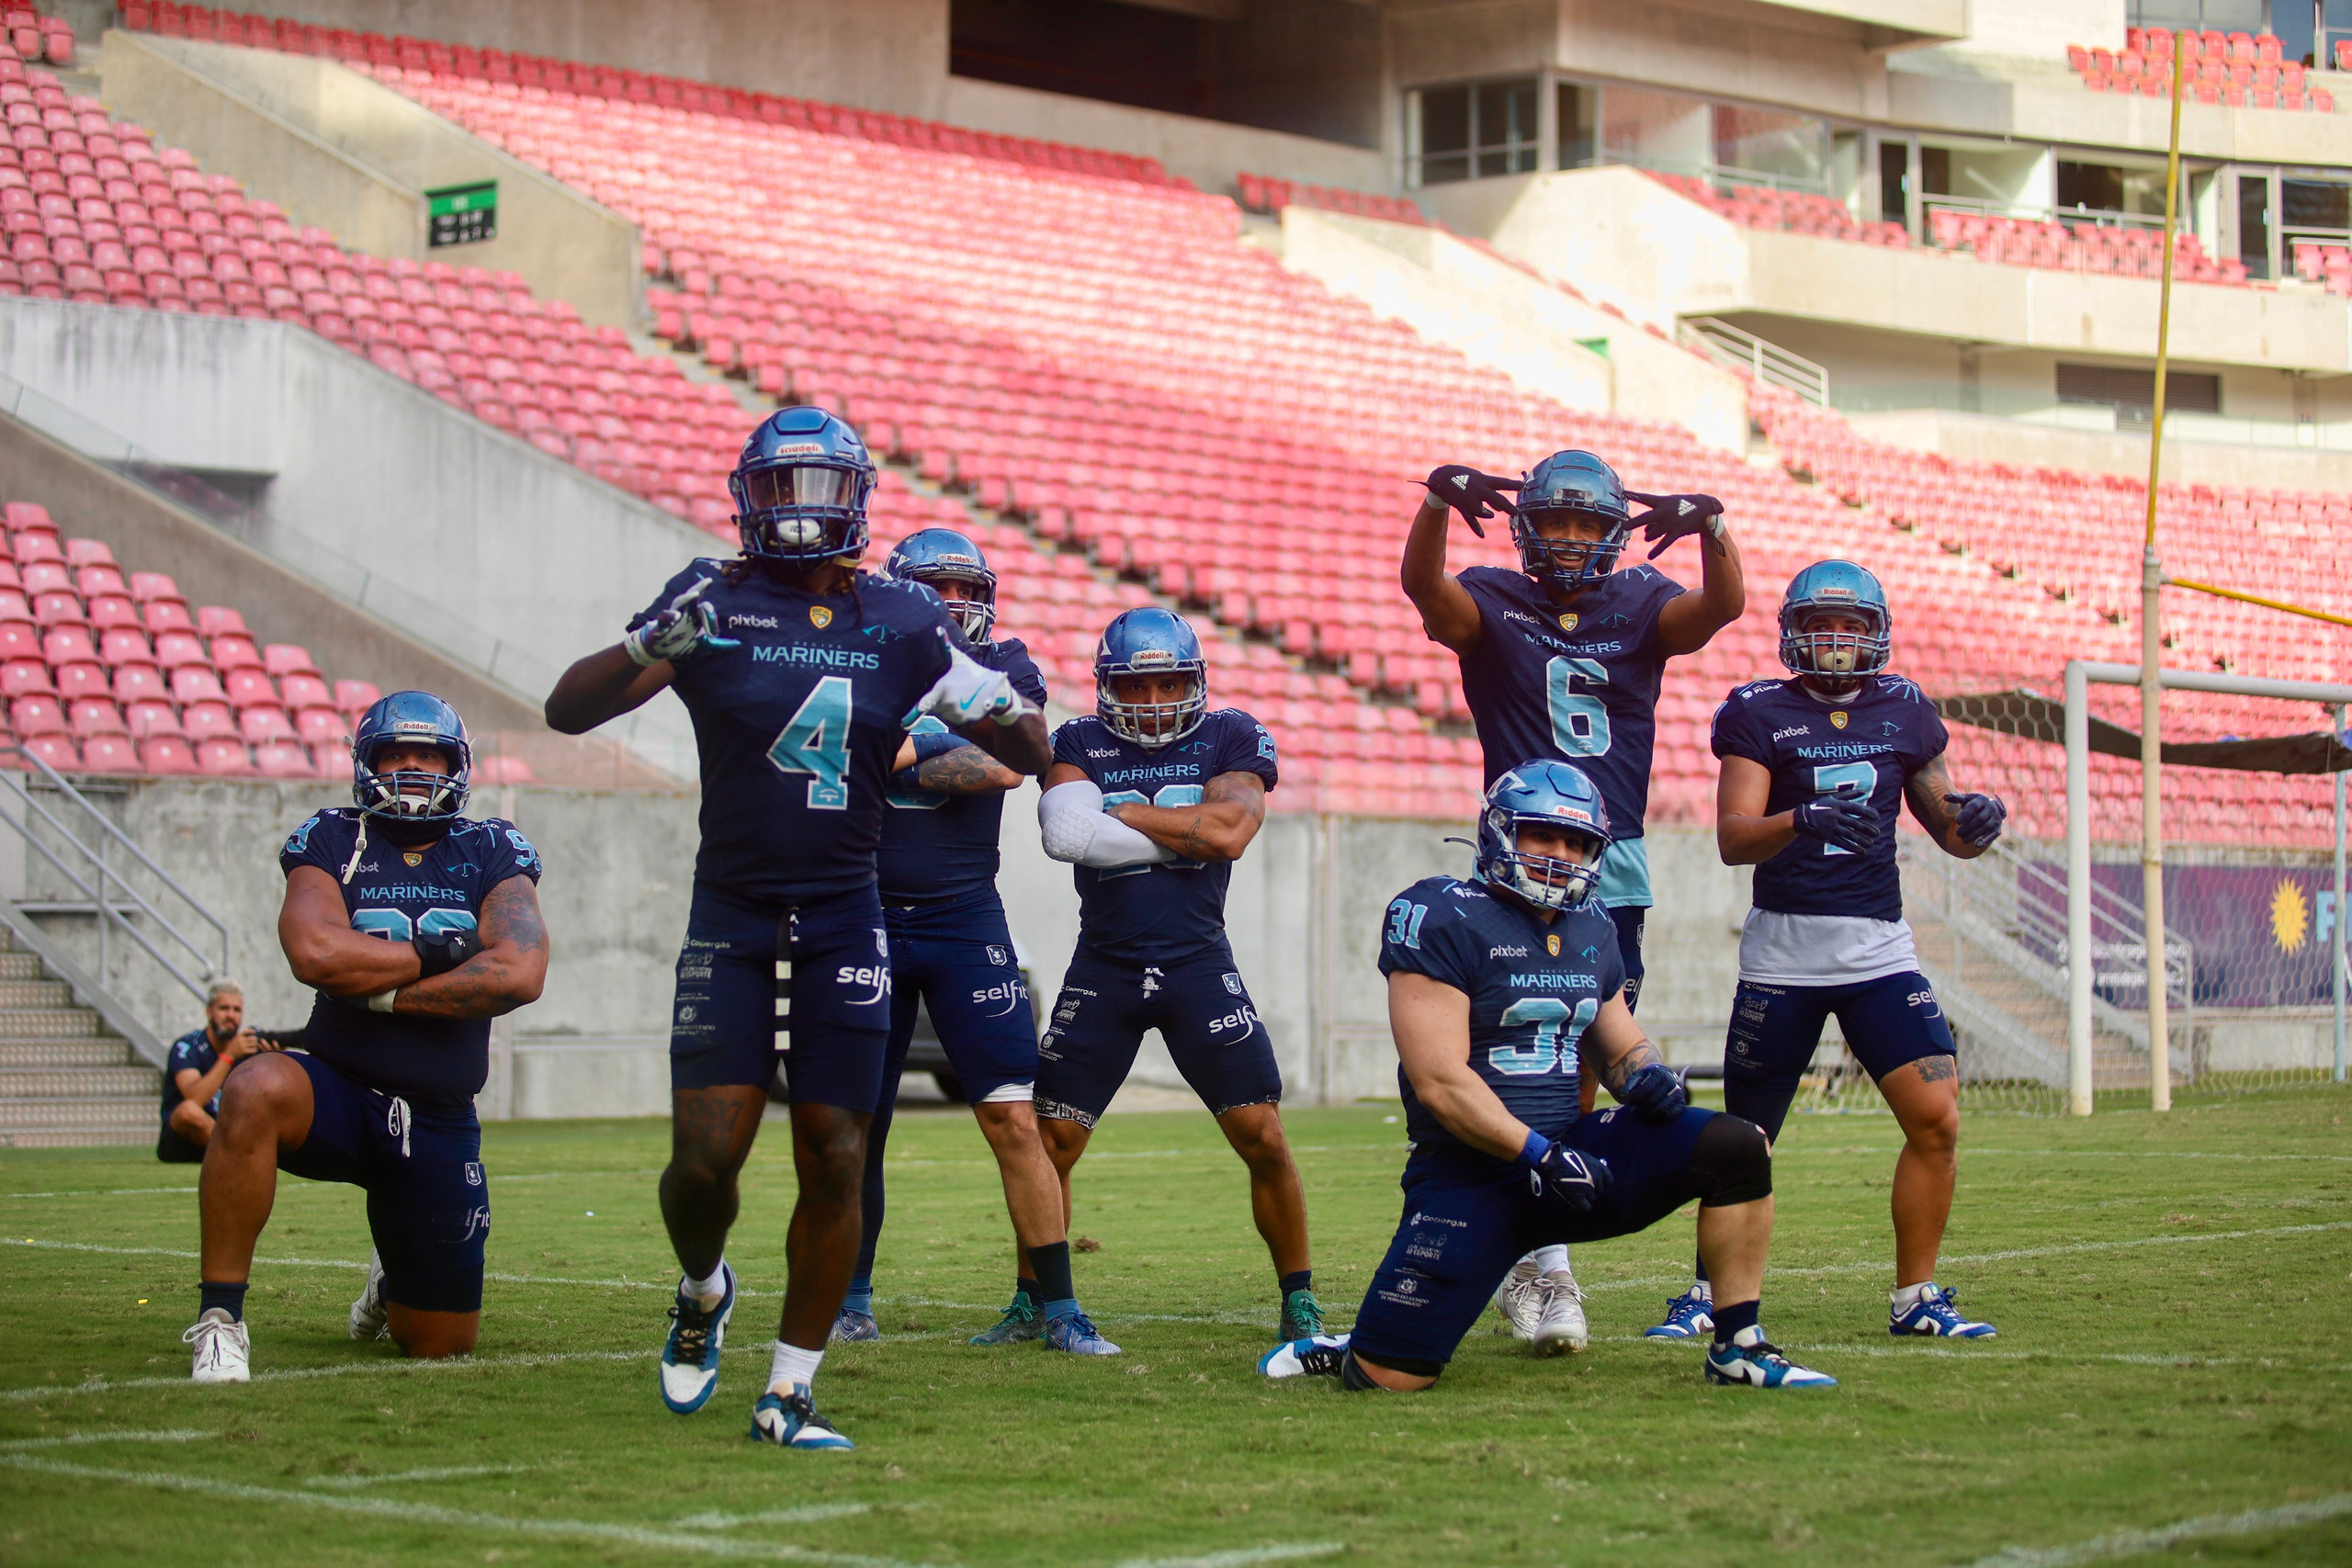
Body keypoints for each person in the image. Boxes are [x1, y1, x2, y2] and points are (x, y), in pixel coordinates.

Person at [544, 408, 1053, 1450]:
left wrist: (987, 698)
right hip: (731, 914)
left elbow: (1033, 747)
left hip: (842, 917)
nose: (798, 510)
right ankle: (701, 1288)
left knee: (833, 1152)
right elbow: (568, 710)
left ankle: (790, 1389)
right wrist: (646, 644)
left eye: (819, 487)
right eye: (780, 489)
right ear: (747, 498)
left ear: (856, 500)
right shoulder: (711, 597)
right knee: (703, 1163)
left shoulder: (906, 619)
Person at [1258, 761, 1834, 1393]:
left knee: (1738, 1146)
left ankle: (1738, 1346)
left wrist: (1647, 1074)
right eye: (1542, 836)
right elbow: (1441, 1082)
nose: (1561, 856)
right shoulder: (1439, 912)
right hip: (1472, 1171)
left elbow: (1620, 1046)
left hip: (1568, 1155)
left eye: (1577, 843)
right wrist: (1538, 1152)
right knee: (1390, 1376)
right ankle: (1351, 1346)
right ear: (1499, 832)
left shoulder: (1592, 926)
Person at [1406, 449, 1745, 1348]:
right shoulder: (1493, 596)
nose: (1566, 539)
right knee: (1508, 1045)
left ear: (1613, 531)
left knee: (1585, 1051)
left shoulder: (1637, 601)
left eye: (1586, 523)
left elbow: (1720, 610)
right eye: (1551, 520)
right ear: (1523, 528)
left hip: (1612, 853)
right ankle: (1521, 1247)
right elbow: (1426, 592)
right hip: (1515, 847)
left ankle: (1543, 1252)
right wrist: (1436, 505)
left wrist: (1713, 528)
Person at [181, 692, 548, 1383]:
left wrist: (376, 987)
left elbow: (520, 970)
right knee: (254, 1085)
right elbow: (316, 952)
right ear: (367, 763)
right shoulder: (331, 837)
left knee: (439, 1343)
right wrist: (452, 951)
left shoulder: (493, 846)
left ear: (456, 765)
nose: (411, 766)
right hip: (338, 1091)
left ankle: (391, 1279)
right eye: (395, 753)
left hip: (439, 1113)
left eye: (428, 753)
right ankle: (221, 1319)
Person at [1698, 558, 2006, 1340]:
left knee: (1935, 1117)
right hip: (1785, 955)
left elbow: (1949, 828)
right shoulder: (1758, 710)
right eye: (1820, 625)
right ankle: (1707, 1298)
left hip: (1878, 950)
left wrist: (1976, 820)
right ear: (1793, 634)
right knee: (1746, 1140)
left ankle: (1917, 1296)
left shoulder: (1905, 708)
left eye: (1852, 626)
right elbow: (1734, 838)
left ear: (1877, 634)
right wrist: (1804, 820)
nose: (1836, 640)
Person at [838, 525, 1112, 1355]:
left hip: (964, 913)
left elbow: (1003, 766)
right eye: (938, 590)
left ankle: (1057, 1308)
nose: (956, 606)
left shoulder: (1011, 665)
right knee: (858, 1123)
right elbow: (846, 755)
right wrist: (944, 743)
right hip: (865, 911)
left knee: (1012, 1117)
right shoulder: (860, 653)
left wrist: (903, 747)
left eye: (967, 591)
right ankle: (851, 1296)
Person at [1032, 606, 1321, 1344]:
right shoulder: (1076, 738)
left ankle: (1299, 1298)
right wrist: (1183, 834)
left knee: (1263, 1133)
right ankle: (1036, 1299)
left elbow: (1230, 832)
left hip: (1197, 959)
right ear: (1107, 689)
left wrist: (1119, 811)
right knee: (1051, 1143)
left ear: (1193, 682)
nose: (1155, 702)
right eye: (1137, 687)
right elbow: (1066, 834)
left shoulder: (1229, 732)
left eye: (1168, 684)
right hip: (1105, 961)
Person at [158, 980, 277, 1163]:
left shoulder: (249, 1046)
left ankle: (237, 1151)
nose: (231, 1015)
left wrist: (274, 1058)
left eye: (237, 1010)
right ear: (209, 1012)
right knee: (187, 1111)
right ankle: (239, 1156)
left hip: (230, 1130)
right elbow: (194, 1097)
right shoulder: (187, 1046)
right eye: (224, 1008)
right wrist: (229, 1056)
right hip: (184, 1140)